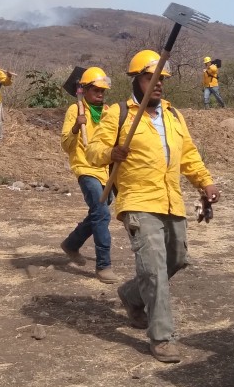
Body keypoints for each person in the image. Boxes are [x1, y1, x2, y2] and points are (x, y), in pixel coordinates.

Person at [86, 50, 220, 363]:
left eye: (162, 79)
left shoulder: (173, 115)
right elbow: (93, 151)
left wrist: (206, 182)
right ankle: (162, 337)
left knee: (176, 259)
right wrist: (112, 153)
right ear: (136, 79)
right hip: (138, 200)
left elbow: (188, 155)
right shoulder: (118, 113)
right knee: (154, 270)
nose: (158, 84)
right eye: (151, 78)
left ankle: (131, 295)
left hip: (171, 200)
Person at [59, 67, 117, 284]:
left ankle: (72, 244)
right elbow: (66, 145)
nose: (100, 94)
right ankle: (103, 265)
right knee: (102, 213)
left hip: (106, 170)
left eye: (103, 91)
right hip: (85, 169)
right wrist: (76, 128)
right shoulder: (76, 110)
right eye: (96, 90)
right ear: (84, 90)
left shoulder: (108, 112)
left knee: (97, 212)